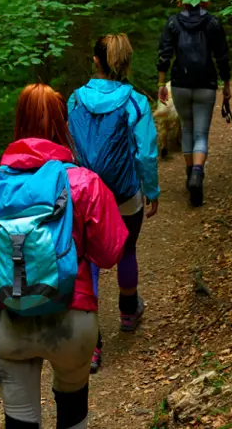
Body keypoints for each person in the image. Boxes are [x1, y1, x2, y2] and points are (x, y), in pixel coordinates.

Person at [0, 84, 128, 429]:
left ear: (18, 122)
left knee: (20, 422)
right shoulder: (84, 183)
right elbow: (110, 253)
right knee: (72, 413)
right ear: (63, 123)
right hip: (72, 317)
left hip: (8, 317)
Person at [67, 34, 160, 373]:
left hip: (84, 195)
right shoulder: (135, 101)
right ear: (125, 62)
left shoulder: (75, 100)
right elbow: (147, 152)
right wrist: (152, 190)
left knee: (88, 263)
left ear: (96, 61)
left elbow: (70, 144)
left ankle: (92, 347)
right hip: (124, 194)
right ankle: (128, 312)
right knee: (128, 249)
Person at [157, 0, 231, 207]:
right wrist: (227, 84)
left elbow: (164, 55)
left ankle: (190, 174)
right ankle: (198, 172)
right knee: (201, 133)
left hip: (180, 83)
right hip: (206, 84)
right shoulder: (213, 23)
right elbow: (222, 56)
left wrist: (161, 84)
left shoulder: (172, 24)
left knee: (187, 129)